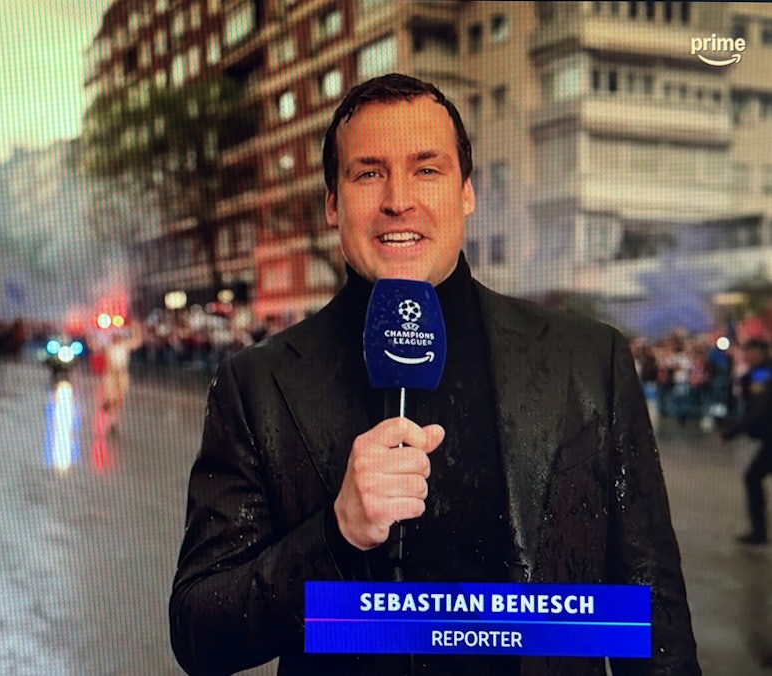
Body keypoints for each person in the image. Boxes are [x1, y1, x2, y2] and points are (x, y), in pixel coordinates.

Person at [169, 74, 700, 675]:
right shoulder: (256, 386)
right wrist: (335, 534)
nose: (399, 198)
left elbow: (652, 617)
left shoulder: (588, 361)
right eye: (368, 173)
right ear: (333, 203)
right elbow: (199, 631)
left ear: (466, 193)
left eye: (427, 169)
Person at [721, 338, 772, 545]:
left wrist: (732, 432)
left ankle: (758, 532)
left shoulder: (762, 373)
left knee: (753, 477)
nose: (747, 357)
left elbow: (758, 408)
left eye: (750, 352)